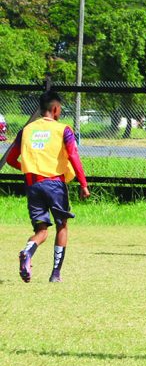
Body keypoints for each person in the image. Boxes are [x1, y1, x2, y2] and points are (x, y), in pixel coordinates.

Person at [6, 91, 90, 283]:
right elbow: (74, 157)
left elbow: (11, 159)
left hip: (33, 184)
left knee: (41, 231)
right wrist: (83, 184)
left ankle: (27, 251)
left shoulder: (26, 130)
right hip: (55, 184)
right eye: (59, 108)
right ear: (55, 109)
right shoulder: (63, 130)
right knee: (62, 225)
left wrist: (30, 169)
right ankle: (55, 274)